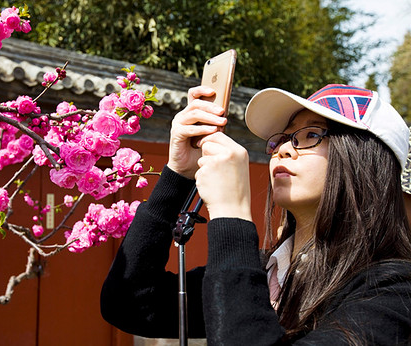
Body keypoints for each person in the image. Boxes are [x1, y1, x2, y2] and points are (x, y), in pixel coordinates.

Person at [100, 84, 411, 344]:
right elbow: (129, 303)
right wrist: (178, 174)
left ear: (365, 160)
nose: (283, 150)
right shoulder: (266, 274)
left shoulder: (393, 293)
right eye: (282, 139)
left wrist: (231, 213)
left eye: (310, 135)